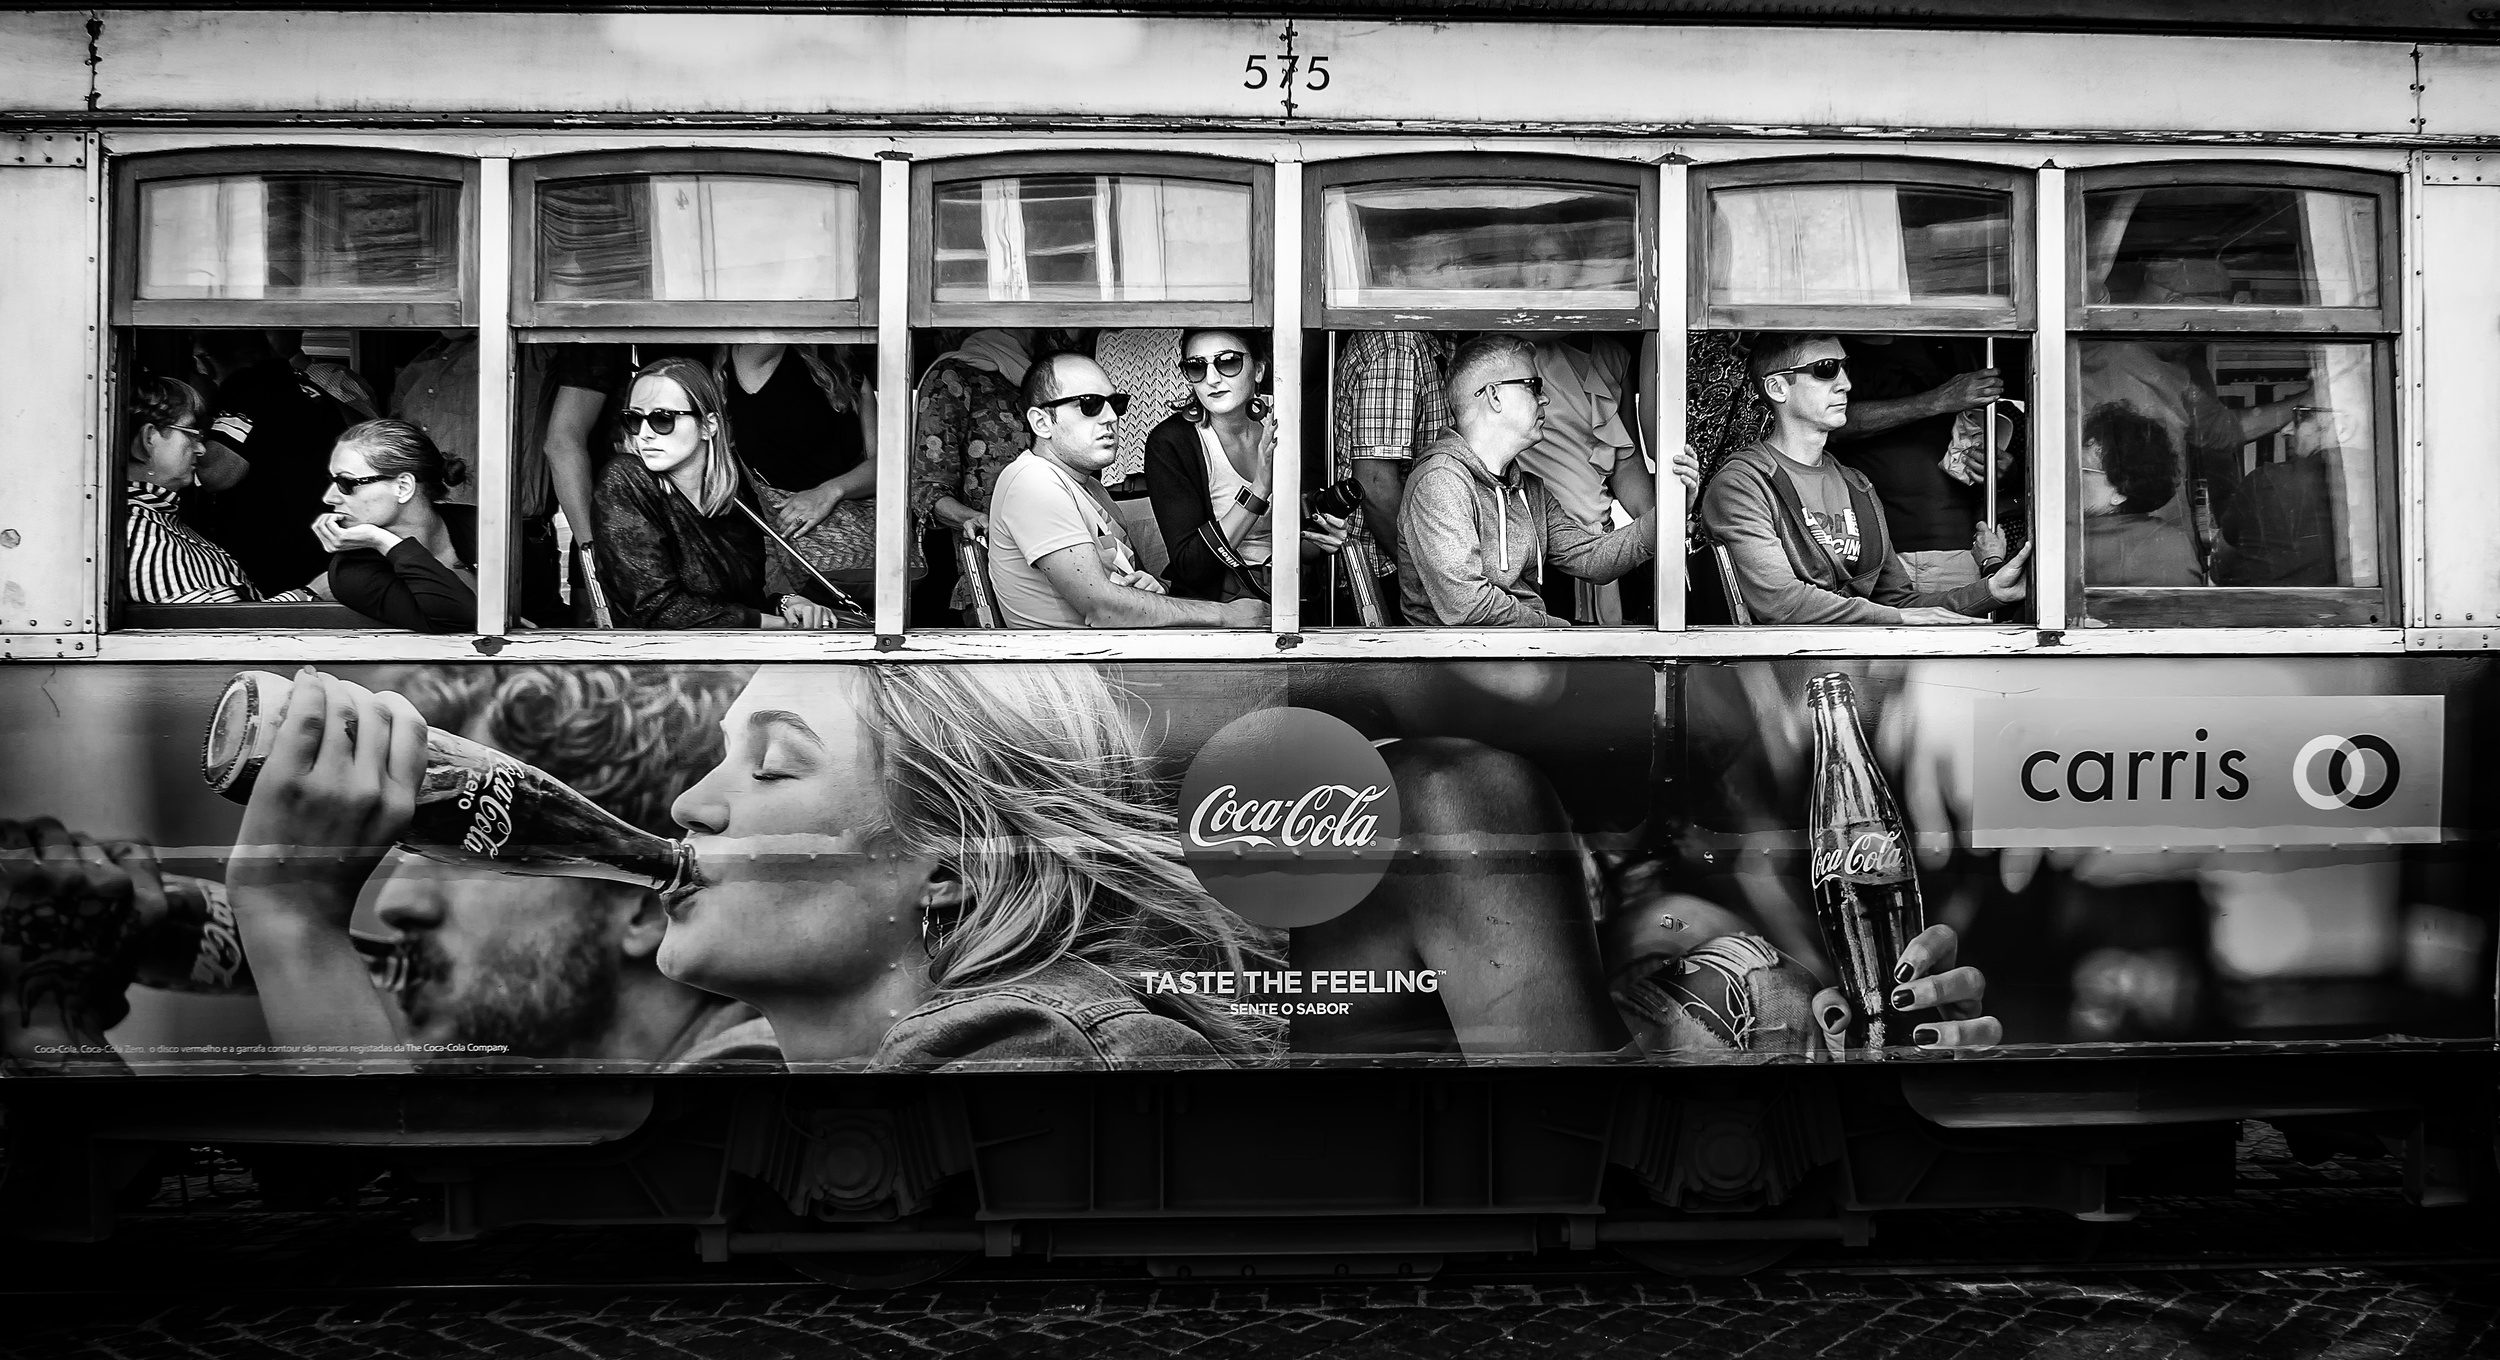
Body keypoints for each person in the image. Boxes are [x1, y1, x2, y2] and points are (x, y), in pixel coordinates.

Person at [659, 664, 1286, 1069]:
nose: (687, 806)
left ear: (951, 867)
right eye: (721, 754)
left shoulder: (1042, 1052)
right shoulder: (736, 1065)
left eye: (770, 766)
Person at [210, 665, 777, 1071]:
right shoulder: (570, 1120)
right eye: (412, 851)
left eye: (467, 852)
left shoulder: (758, 1070)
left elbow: (386, 1179)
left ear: (644, 901)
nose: (396, 904)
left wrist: (292, 920)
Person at [1699, 334, 2031, 625]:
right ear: (1777, 387)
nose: (1845, 383)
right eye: (1826, 369)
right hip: (1778, 672)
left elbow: (1898, 602)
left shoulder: (1857, 484)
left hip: (1861, 667)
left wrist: (1992, 590)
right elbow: (1781, 602)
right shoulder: (1743, 484)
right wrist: (1898, 618)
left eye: (1845, 367)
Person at [1394, 334, 1669, 628]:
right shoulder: (1440, 482)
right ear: (1494, 396)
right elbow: (1468, 605)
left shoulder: (1530, 490)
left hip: (1522, 650)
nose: (1545, 398)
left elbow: (1591, 558)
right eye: (1533, 386)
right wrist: (1554, 630)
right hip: (1459, 655)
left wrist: (1669, 515)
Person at [985, 354, 1267, 629]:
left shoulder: (1091, 488)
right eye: (1090, 404)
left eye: (1116, 403)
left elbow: (1127, 587)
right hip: (1074, 658)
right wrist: (1225, 615)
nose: (1111, 417)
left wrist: (1154, 587)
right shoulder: (1033, 481)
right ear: (1041, 422)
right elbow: (1102, 608)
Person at [591, 356, 844, 630]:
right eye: (634, 419)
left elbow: (744, 601)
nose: (644, 434)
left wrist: (789, 604)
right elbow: (657, 609)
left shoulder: (732, 496)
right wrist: (779, 625)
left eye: (662, 419)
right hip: (659, 655)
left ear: (708, 425)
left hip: (739, 651)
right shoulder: (625, 478)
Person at [1143, 329, 1350, 603]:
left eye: (1228, 362)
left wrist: (1324, 537)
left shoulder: (1287, 421)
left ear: (1259, 370)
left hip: (1288, 594)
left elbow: (1301, 545)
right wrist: (1259, 488)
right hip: (1218, 605)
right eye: (1197, 367)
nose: (1212, 379)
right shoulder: (1171, 442)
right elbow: (1192, 566)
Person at [1829, 337, 2012, 593]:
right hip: (1862, 553)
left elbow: (1977, 427)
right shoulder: (1834, 351)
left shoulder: (1951, 348)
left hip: (1954, 547)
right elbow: (1833, 423)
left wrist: (2000, 469)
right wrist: (1937, 400)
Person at [120, 377, 315, 606]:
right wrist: (310, 594)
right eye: (191, 432)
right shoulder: (144, 537)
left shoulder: (158, 523)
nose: (201, 448)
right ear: (149, 440)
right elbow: (212, 627)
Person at [186, 329, 352, 594]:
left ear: (204, 359)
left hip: (274, 554)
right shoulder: (306, 387)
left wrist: (192, 429)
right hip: (322, 542)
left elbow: (218, 474)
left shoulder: (247, 390)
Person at [715, 343, 886, 590]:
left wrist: (829, 493)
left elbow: (885, 465)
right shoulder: (756, 354)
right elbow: (772, 325)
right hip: (778, 546)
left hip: (852, 539)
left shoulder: (844, 367)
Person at [910, 329, 1036, 622]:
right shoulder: (953, 376)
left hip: (1062, 555)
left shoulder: (1044, 381)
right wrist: (975, 520)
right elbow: (927, 489)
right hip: (994, 567)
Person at [312, 419, 478, 632]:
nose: (329, 497)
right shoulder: (352, 573)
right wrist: (383, 541)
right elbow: (459, 617)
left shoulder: (484, 526)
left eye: (345, 483)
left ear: (403, 487)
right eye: (333, 481)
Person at [1332, 330, 1457, 603]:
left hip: (1419, 564)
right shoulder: (1398, 347)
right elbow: (1375, 486)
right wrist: (1426, 581)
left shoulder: (1439, 338)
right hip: (1387, 572)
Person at [2208, 404, 2359, 588]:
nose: (2286, 430)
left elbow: (2220, 566)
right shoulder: (2379, 483)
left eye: (2302, 418)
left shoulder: (2267, 481)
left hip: (2273, 605)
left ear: (2341, 427)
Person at [2081, 403, 2206, 587]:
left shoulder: (2080, 542)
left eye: (2083, 470)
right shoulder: (2171, 541)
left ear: (2120, 492)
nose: (2067, 477)